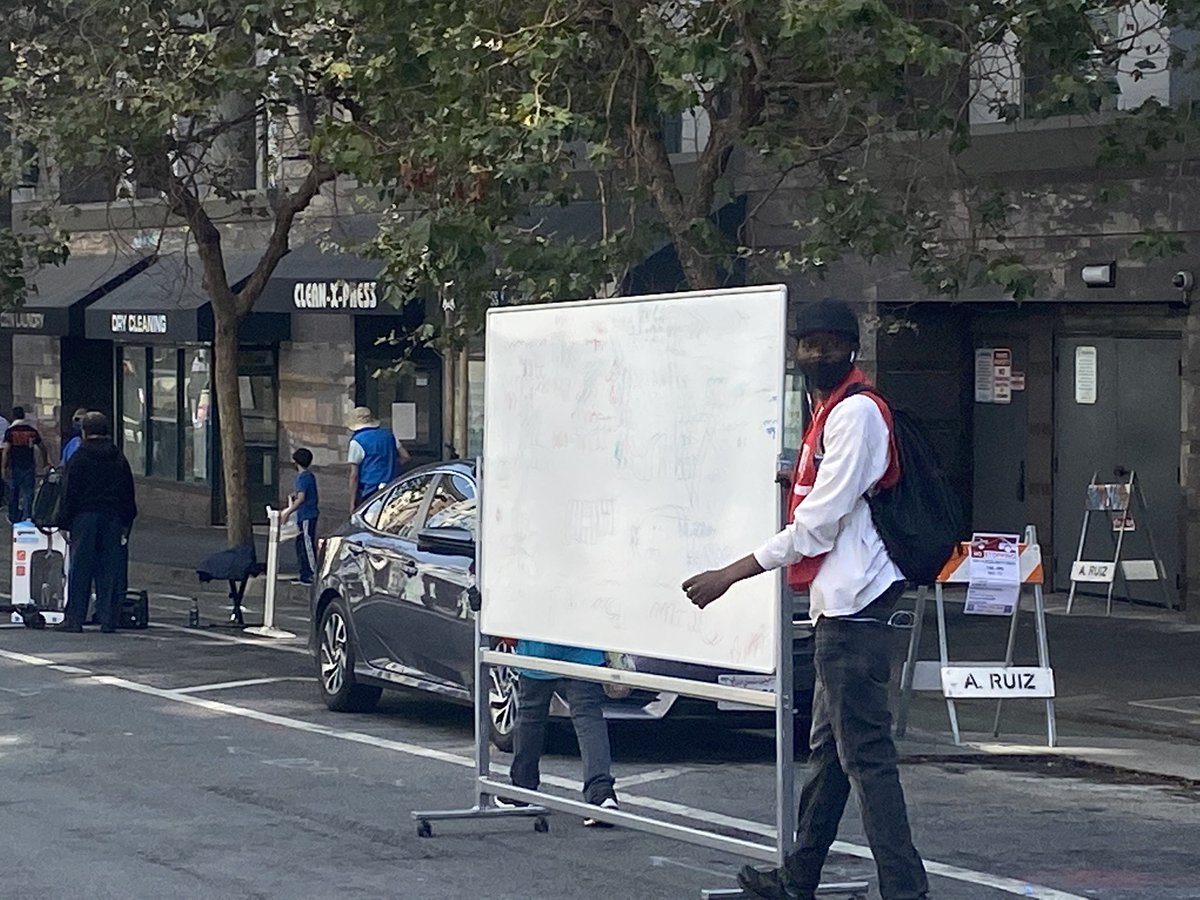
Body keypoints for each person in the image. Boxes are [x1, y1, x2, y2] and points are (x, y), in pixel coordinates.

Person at [682, 298, 929, 900]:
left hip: (855, 610)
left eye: (827, 343)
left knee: (865, 759)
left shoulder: (857, 415)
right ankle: (798, 878)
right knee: (830, 754)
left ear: (852, 349)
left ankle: (906, 889)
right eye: (806, 343)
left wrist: (733, 572)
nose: (815, 353)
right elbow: (824, 493)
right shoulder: (829, 412)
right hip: (837, 608)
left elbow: (819, 524)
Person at [498, 639, 619, 826]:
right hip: (584, 649)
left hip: (537, 647)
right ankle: (601, 794)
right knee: (588, 716)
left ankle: (522, 789)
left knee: (531, 714)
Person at [54, 412, 137, 633]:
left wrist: (64, 521)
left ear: (85, 431)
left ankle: (75, 618)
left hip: (85, 517)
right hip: (112, 517)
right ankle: (108, 617)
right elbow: (128, 491)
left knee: (80, 568)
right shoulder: (118, 457)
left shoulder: (80, 457)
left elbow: (69, 491)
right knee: (109, 568)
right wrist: (126, 521)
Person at [346, 406, 410, 505]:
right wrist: (392, 464)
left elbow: (354, 475)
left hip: (369, 490)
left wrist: (352, 502)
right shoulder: (389, 435)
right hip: (392, 486)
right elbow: (405, 457)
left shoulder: (357, 441)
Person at [281, 447, 319, 586]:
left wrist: (288, 511)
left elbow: (301, 498)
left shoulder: (302, 477)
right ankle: (304, 573)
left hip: (306, 515)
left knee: (306, 544)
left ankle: (312, 573)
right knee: (301, 544)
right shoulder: (309, 476)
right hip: (307, 514)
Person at [2, 406, 47, 523]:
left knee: (14, 492)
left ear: (13, 416)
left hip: (14, 466)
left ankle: (14, 516)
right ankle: (28, 517)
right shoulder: (31, 431)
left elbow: (6, 451)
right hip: (29, 465)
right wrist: (45, 462)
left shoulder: (10, 432)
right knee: (28, 493)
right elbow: (42, 447)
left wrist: (3, 467)